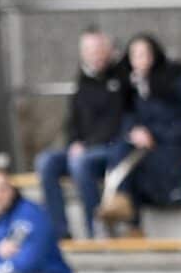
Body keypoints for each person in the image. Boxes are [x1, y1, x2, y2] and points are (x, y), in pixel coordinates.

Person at [97, 33, 181, 235]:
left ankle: (132, 218)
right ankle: (125, 215)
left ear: (155, 55)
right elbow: (128, 119)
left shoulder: (176, 79)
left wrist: (160, 134)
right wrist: (135, 132)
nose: (139, 59)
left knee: (138, 166)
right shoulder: (133, 87)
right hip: (151, 147)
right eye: (134, 54)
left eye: (144, 53)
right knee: (120, 150)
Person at [36, 27, 130, 240]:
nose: (95, 54)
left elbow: (116, 122)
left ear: (110, 50)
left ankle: (96, 228)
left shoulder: (122, 79)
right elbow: (74, 123)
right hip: (84, 147)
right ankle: (59, 230)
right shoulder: (82, 81)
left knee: (80, 163)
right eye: (89, 49)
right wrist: (75, 143)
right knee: (46, 161)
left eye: (99, 48)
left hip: (110, 149)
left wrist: (85, 145)